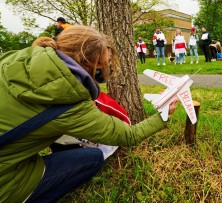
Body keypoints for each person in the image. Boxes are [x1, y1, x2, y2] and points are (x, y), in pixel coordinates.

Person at [0, 25, 178, 202]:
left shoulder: (13, 58)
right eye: (102, 70)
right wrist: (164, 114)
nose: (103, 76)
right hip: (5, 184)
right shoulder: (68, 103)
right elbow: (130, 135)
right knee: (93, 158)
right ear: (88, 64)